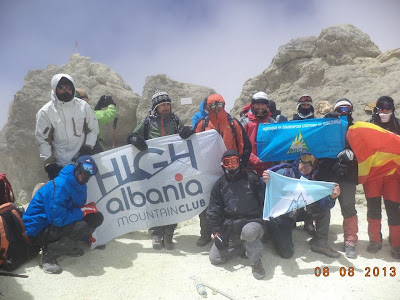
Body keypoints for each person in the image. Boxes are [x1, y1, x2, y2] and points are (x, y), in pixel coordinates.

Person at [179, 93, 252, 247]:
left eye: (219, 104)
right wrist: (186, 133)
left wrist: (242, 166)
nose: (216, 108)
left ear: (224, 104)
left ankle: (228, 233)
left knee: (230, 201)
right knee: (206, 202)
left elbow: (245, 145)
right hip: (208, 170)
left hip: (230, 169)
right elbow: (192, 144)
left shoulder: (233, 123)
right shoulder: (203, 123)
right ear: (208, 106)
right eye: (212, 105)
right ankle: (205, 233)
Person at [22, 156, 104, 274]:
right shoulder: (61, 184)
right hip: (38, 229)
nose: (84, 176)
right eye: (82, 171)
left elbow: (73, 209)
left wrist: (88, 232)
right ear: (76, 167)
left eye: (89, 174)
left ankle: (66, 247)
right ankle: (48, 254)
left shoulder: (81, 185)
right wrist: (83, 211)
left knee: (96, 218)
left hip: (53, 224)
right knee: (82, 225)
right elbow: (57, 219)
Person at [127, 90, 184, 250]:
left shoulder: (175, 120)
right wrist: (134, 139)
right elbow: (132, 136)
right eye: (162, 105)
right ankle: (156, 234)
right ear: (155, 107)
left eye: (168, 104)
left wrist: (187, 133)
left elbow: (183, 136)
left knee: (172, 200)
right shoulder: (147, 122)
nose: (166, 107)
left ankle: (169, 234)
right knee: (154, 200)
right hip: (151, 169)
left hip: (171, 167)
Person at [262, 152, 341, 258]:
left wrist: (332, 197)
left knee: (323, 210)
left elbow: (324, 205)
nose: (306, 167)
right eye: (303, 163)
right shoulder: (284, 173)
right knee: (287, 254)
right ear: (298, 162)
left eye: (310, 165)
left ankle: (320, 243)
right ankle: (273, 231)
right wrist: (265, 180)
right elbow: (265, 188)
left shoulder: (312, 182)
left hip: (298, 212)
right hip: (281, 215)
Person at [207, 150, 266, 280]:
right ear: (222, 165)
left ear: (239, 162)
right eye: (227, 162)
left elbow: (265, 199)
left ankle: (256, 263)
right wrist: (216, 232)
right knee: (215, 258)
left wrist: (268, 181)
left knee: (249, 232)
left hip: (252, 222)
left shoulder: (251, 178)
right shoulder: (220, 184)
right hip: (231, 226)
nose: (231, 165)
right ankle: (241, 246)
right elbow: (213, 209)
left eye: (234, 161)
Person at [315, 98, 359, 259]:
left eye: (347, 108)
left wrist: (352, 156)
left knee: (348, 207)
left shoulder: (355, 129)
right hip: (327, 173)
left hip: (347, 175)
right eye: (340, 109)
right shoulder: (327, 126)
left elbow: (363, 150)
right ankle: (320, 239)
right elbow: (317, 145)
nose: (344, 112)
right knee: (323, 207)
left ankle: (350, 241)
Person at [35, 74, 99, 180]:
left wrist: (87, 148)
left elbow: (93, 129)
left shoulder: (83, 107)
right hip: (60, 167)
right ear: (55, 88)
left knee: (84, 194)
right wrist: (49, 164)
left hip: (82, 162)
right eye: (62, 87)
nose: (66, 91)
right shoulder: (45, 112)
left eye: (69, 88)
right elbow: (42, 141)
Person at [364, 96, 400, 259]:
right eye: (381, 110)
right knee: (373, 207)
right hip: (373, 175)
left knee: (393, 209)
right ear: (376, 110)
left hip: (392, 175)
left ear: (392, 110)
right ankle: (375, 240)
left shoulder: (398, 125)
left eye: (388, 110)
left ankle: (396, 243)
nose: (385, 113)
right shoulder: (369, 126)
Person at [240, 92, 275, 177]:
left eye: (263, 104)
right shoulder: (245, 121)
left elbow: (276, 142)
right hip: (250, 167)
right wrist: (254, 159)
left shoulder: (271, 122)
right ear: (252, 105)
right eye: (257, 104)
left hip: (268, 166)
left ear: (267, 106)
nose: (260, 107)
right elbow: (240, 144)